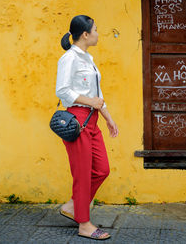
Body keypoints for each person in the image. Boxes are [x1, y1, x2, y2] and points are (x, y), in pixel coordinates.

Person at [55, 15, 119, 240]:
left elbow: (97, 95)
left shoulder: (88, 58)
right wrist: (90, 103)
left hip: (93, 120)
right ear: (85, 34)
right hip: (78, 121)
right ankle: (84, 224)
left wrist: (108, 117)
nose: (98, 33)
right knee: (82, 175)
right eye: (96, 30)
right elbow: (62, 91)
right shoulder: (69, 58)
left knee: (102, 169)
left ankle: (74, 206)